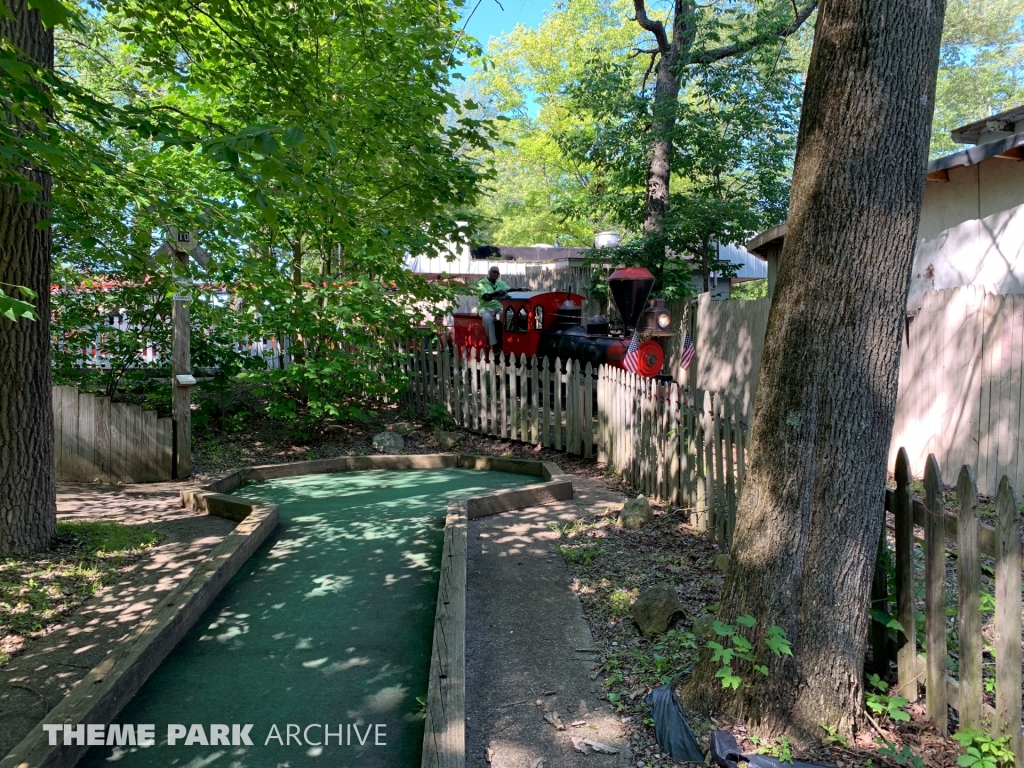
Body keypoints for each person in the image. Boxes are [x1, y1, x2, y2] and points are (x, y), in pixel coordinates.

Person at [477, 266, 510, 348]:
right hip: (485, 307)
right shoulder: (481, 283)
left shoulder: (501, 283)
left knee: (511, 315)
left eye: (497, 273)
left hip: (499, 308)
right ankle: (494, 345)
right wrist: (498, 293)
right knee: (488, 319)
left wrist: (520, 289)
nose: (496, 274)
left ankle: (507, 339)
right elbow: (485, 297)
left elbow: (510, 291)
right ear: (489, 272)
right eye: (494, 272)